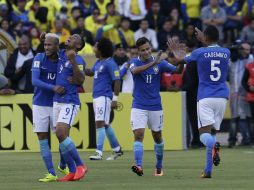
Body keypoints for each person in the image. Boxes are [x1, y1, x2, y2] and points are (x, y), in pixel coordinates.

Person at [168, 25, 230, 178]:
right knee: (213, 132)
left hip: (206, 97)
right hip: (222, 97)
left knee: (204, 135)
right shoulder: (226, 52)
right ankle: (208, 170)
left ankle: (214, 147)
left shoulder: (198, 53)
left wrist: (178, 54)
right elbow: (213, 51)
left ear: (206, 38)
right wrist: (205, 39)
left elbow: (179, 62)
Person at [129, 37, 183, 177]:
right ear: (138, 51)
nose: (146, 51)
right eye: (143, 50)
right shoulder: (134, 62)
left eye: (148, 48)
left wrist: (180, 60)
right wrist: (154, 62)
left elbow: (177, 71)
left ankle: (159, 166)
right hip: (139, 105)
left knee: (157, 137)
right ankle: (138, 165)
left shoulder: (161, 63)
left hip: (155, 106)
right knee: (138, 134)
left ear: (150, 47)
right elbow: (135, 72)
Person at [32, 33, 68, 182]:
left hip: (57, 103)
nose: (46, 47)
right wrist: (53, 87)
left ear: (57, 46)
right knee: (42, 137)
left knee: (62, 136)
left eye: (49, 45)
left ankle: (63, 164)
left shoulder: (62, 58)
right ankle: (51, 173)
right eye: (45, 44)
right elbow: (34, 80)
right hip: (40, 104)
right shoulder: (39, 58)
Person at [53, 34, 87, 181]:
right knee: (62, 138)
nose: (70, 38)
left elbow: (80, 80)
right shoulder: (60, 53)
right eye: (71, 36)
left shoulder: (78, 59)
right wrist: (44, 38)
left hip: (70, 101)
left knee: (61, 133)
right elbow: (51, 45)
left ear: (78, 46)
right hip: (57, 101)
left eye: (74, 38)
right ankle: (72, 172)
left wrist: (72, 60)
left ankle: (80, 165)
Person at [85, 37, 123, 161]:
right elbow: (91, 72)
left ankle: (98, 152)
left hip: (104, 96)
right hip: (97, 96)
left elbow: (117, 80)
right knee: (105, 124)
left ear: (100, 49)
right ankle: (117, 149)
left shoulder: (110, 63)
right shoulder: (99, 62)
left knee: (99, 123)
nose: (93, 49)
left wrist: (115, 99)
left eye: (95, 46)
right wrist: (78, 67)